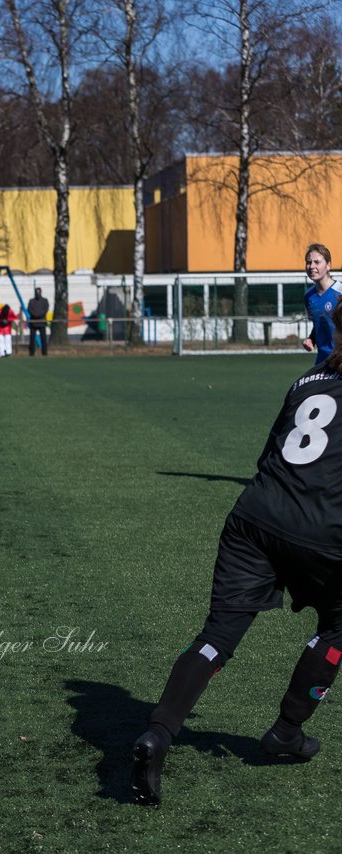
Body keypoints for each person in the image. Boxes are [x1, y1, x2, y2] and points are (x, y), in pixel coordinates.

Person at [131, 301, 342, 807]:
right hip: (321, 533)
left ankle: (157, 735)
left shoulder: (306, 382)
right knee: (337, 629)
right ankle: (287, 731)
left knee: (218, 634)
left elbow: (269, 454)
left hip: (254, 517)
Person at [303, 243, 340, 365]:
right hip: (323, 361)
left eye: (317, 262)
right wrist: (311, 339)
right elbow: (319, 322)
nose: (311, 266)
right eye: (309, 262)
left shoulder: (340, 292)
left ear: (328, 265)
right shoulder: (309, 296)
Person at [26, 287, 50, 356]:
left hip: (42, 322)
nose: (37, 294)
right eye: (36, 292)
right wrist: (34, 315)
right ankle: (31, 353)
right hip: (33, 322)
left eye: (39, 292)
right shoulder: (31, 301)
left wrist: (39, 315)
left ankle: (44, 353)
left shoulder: (45, 300)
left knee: (43, 339)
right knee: (32, 339)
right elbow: (29, 309)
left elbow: (46, 309)